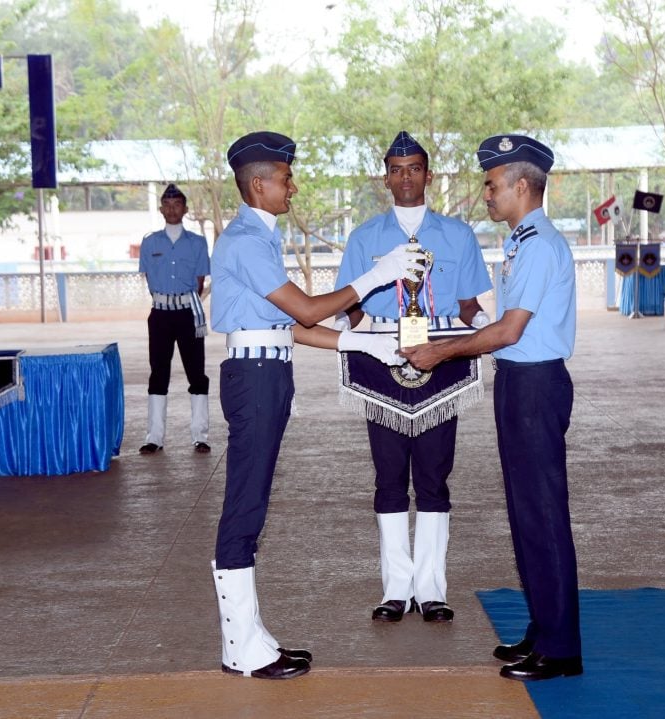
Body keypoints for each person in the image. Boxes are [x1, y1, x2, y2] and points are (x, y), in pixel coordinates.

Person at [210, 130, 424, 680]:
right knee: (246, 503)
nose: (293, 187)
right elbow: (305, 309)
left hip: (266, 369)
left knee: (254, 500)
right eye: (285, 179)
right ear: (258, 184)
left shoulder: (258, 236)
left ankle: (252, 634)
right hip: (255, 377)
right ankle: (239, 646)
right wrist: (377, 275)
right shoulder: (245, 240)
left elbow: (289, 326)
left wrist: (358, 341)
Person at [401, 134, 582, 681]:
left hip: (535, 386)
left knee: (543, 513)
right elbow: (496, 324)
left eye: (491, 184)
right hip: (519, 383)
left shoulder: (540, 244)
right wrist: (460, 324)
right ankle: (544, 626)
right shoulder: (522, 242)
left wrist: (439, 351)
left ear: (522, 186)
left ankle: (562, 648)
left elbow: (510, 331)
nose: (486, 194)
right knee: (526, 511)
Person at [333, 131, 492, 625]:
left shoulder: (458, 235)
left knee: (433, 476)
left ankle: (432, 588)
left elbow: (471, 303)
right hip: (382, 357)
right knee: (387, 478)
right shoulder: (364, 238)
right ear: (386, 177)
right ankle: (395, 588)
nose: (406, 177)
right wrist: (360, 338)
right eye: (397, 169)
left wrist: (490, 330)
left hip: (439, 355)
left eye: (415, 168)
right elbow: (349, 306)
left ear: (429, 174)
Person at [138, 183, 212, 455]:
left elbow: (200, 281)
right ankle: (154, 437)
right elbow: (148, 278)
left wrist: (180, 300)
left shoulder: (197, 243)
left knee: (196, 373)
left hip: (187, 314)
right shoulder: (150, 242)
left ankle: (200, 435)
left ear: (185, 209)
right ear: (161, 209)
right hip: (160, 315)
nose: (172, 209)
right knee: (158, 373)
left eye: (177, 205)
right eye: (167, 205)